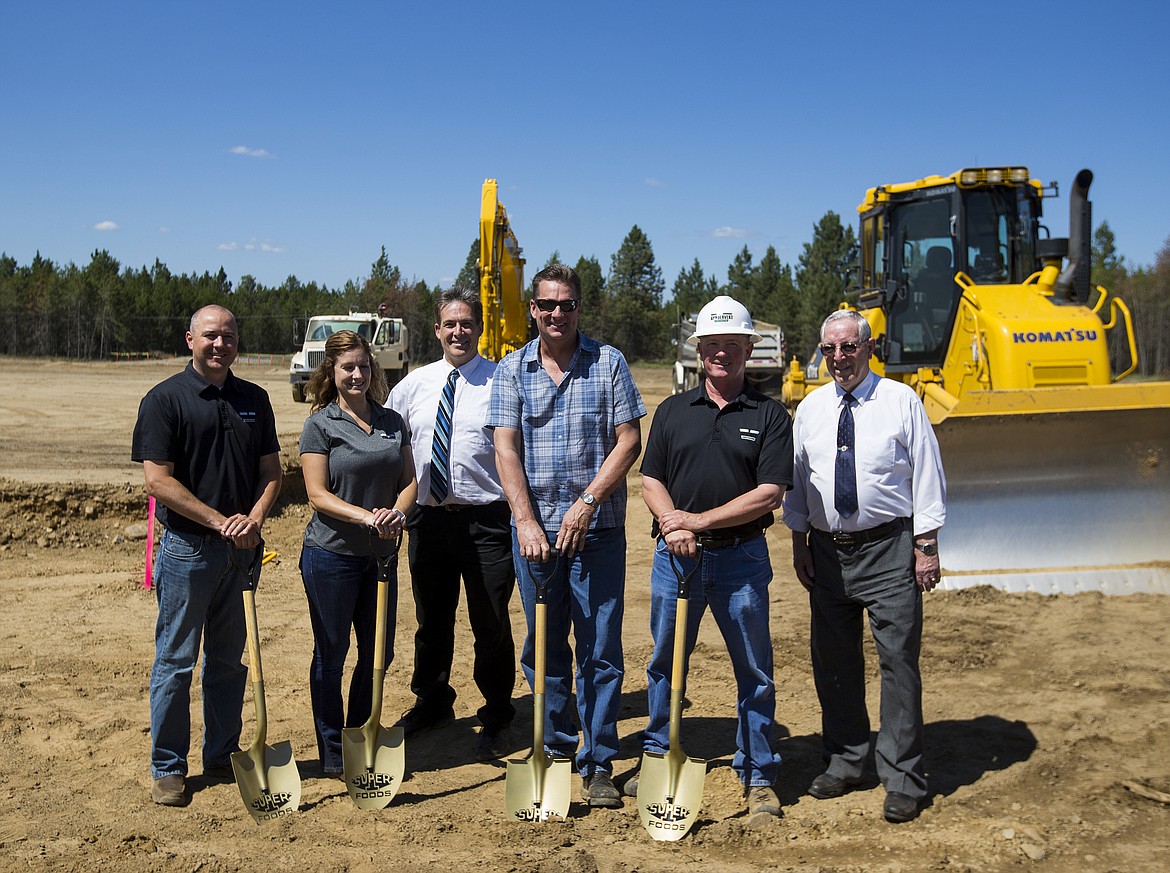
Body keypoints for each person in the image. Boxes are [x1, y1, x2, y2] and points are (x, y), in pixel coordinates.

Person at [487, 263, 645, 808]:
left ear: (580, 307)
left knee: (600, 650)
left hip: (596, 532)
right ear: (533, 309)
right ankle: (553, 751)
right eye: (547, 305)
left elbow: (629, 441)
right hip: (534, 537)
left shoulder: (609, 363)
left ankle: (599, 761)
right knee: (546, 648)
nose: (557, 314)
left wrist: (587, 502)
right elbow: (505, 448)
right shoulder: (512, 370)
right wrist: (526, 520)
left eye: (567, 305)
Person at [783, 309, 946, 823]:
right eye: (830, 348)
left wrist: (926, 544)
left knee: (898, 663)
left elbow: (926, 472)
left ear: (868, 347)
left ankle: (903, 777)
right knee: (833, 661)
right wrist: (798, 540)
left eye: (848, 347)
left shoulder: (901, 402)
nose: (838, 358)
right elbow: (798, 481)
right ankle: (847, 759)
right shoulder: (809, 409)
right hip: (828, 552)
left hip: (890, 549)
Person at [633, 295, 793, 820]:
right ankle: (659, 754)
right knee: (665, 662)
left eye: (732, 345)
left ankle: (759, 772)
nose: (721, 354)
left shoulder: (769, 415)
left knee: (754, 668)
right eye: (711, 345)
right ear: (698, 351)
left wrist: (696, 522)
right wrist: (671, 521)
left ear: (749, 349)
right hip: (675, 561)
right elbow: (650, 478)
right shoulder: (674, 411)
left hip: (740, 559)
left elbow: (770, 493)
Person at [131, 305, 282, 807]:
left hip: (243, 552)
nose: (221, 345)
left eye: (230, 336)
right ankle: (168, 767)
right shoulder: (164, 400)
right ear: (190, 338)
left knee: (228, 662)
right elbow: (157, 480)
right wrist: (220, 522)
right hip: (188, 553)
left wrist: (254, 520)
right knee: (176, 660)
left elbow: (271, 472)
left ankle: (221, 754)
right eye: (211, 336)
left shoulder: (254, 399)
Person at [387, 287, 517, 761]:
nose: (458, 331)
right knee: (432, 619)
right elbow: (391, 447)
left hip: (487, 521)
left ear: (480, 328)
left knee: (491, 620)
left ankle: (498, 712)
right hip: (427, 519)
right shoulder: (413, 386)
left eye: (467, 323)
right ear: (437, 330)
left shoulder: (502, 382)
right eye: (449, 324)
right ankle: (433, 700)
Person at [299, 330, 416, 776]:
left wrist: (397, 516)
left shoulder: (391, 422)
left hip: (382, 558)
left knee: (378, 654)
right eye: (348, 367)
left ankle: (359, 733)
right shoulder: (321, 424)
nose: (358, 375)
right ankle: (331, 751)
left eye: (364, 366)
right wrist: (368, 517)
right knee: (331, 653)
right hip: (331, 557)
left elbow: (409, 482)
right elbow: (317, 494)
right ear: (332, 371)